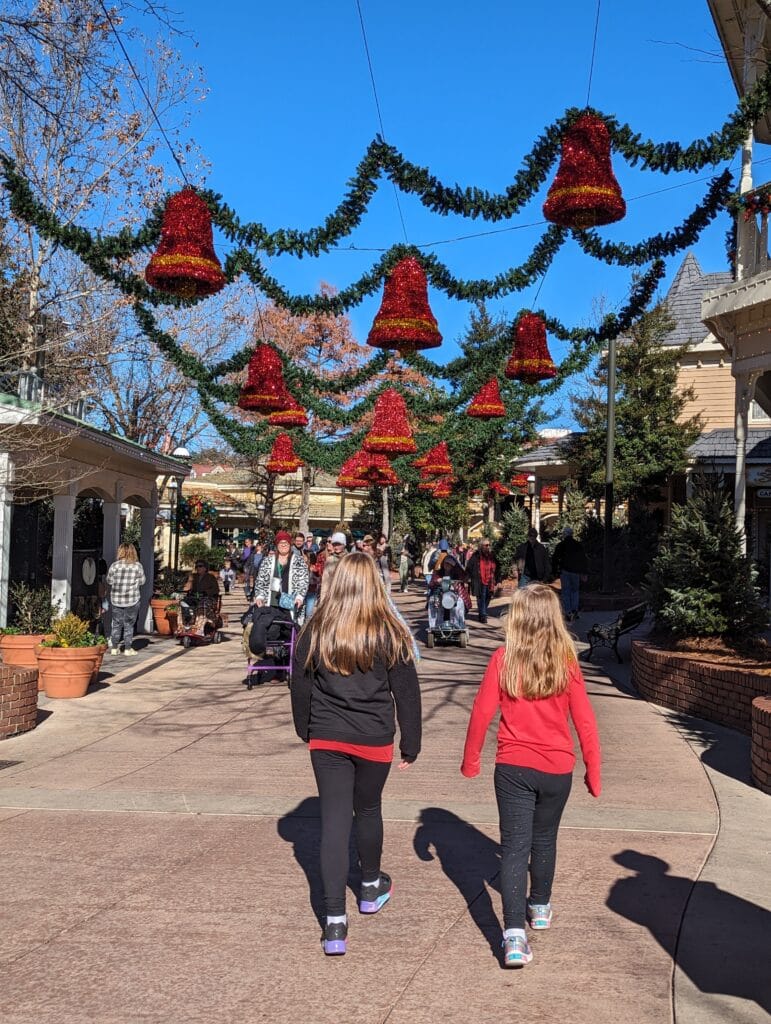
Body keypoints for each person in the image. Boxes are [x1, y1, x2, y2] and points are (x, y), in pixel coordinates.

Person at [461, 584, 601, 968]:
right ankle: (539, 906)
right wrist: (593, 769)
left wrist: (470, 760)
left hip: (513, 768)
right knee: (544, 839)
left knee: (514, 847)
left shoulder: (504, 660)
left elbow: (481, 712)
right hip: (557, 769)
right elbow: (585, 720)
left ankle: (514, 937)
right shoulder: (566, 661)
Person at [290, 553, 422, 956]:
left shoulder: (317, 629)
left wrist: (304, 729)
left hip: (326, 737)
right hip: (373, 737)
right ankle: (368, 886)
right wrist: (411, 742)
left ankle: (334, 922)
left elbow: (300, 685)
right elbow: (407, 691)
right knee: (367, 809)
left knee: (333, 823)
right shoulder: (390, 632)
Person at [253, 530, 310, 622]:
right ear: (277, 545)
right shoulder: (267, 561)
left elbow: (304, 582)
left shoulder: (299, 561)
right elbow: (260, 581)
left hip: (291, 605)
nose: (283, 545)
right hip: (271, 603)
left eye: (286, 542)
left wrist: (300, 597)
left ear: (290, 544)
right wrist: (260, 597)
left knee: (289, 632)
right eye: (280, 542)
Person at [106, 543, 145, 656]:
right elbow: (142, 581)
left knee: (117, 623)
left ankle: (114, 647)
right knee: (129, 624)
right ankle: (127, 649)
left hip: (116, 599)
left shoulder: (114, 566)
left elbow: (109, 581)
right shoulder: (137, 566)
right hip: (132, 599)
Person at [551, 526, 589, 622]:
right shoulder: (578, 545)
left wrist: (554, 571)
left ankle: (568, 612)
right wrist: (584, 572)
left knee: (566, 591)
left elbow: (555, 559)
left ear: (564, 534)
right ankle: (574, 610)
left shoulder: (561, 545)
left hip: (565, 571)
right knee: (575, 591)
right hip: (576, 572)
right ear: (572, 534)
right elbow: (583, 559)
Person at [466, 538, 501, 623]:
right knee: (481, 597)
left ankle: (482, 612)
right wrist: (467, 577)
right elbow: (469, 567)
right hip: (479, 580)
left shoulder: (492, 555)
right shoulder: (476, 555)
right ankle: (483, 615)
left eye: (489, 545)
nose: (488, 547)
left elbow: (498, 568)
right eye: (486, 545)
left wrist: (499, 580)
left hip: (490, 580)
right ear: (481, 546)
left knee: (488, 597)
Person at [182, 559, 220, 636]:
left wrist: (206, 592)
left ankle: (200, 628)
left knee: (202, 604)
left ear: (205, 568)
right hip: (196, 598)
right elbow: (189, 587)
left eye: (200, 566)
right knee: (183, 603)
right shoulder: (194, 577)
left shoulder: (210, 577)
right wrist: (189, 589)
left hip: (209, 599)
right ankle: (186, 625)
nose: (198, 568)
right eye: (197, 566)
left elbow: (216, 589)